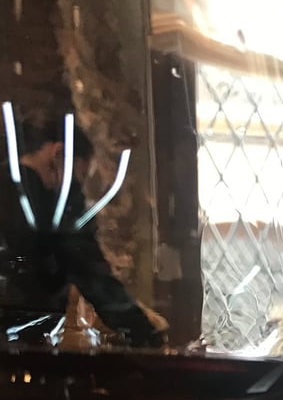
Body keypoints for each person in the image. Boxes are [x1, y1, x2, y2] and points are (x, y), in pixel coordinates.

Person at [0, 112, 163, 348]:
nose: (75, 186)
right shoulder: (46, 205)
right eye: (78, 176)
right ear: (58, 154)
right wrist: (144, 332)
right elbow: (86, 267)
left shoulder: (12, 190)